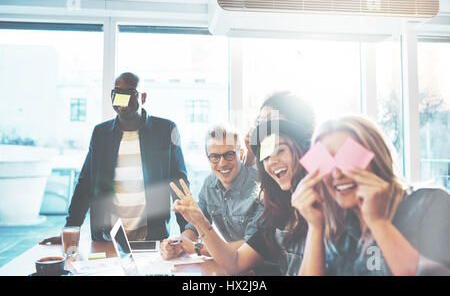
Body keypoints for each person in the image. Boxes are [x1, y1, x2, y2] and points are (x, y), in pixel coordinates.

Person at [40, 72, 188, 244]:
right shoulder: (100, 133)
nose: (122, 98)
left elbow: (179, 184)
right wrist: (70, 230)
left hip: (152, 238)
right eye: (117, 92)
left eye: (130, 92)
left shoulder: (165, 129)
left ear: (144, 97)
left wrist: (188, 233)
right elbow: (85, 183)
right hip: (108, 239)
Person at [294, 115, 450, 276]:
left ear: (377, 160)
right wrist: (315, 227)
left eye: (348, 159)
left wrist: (378, 222)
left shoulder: (430, 203)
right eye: (327, 163)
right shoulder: (338, 228)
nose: (337, 174)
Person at [169, 111, 317, 276]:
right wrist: (195, 227)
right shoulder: (276, 206)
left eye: (280, 150)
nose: (273, 161)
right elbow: (236, 262)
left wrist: (196, 246)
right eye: (266, 157)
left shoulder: (322, 200)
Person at [160, 125, 263, 260]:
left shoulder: (261, 187)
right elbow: (194, 225)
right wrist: (179, 244)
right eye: (214, 156)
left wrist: (197, 248)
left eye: (229, 155)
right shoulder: (210, 184)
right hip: (231, 266)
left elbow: (252, 245)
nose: (222, 163)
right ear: (208, 158)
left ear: (241, 154)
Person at [243, 91, 313, 167]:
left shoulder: (314, 153)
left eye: (271, 119)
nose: (264, 128)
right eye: (261, 121)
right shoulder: (269, 158)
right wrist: (251, 155)